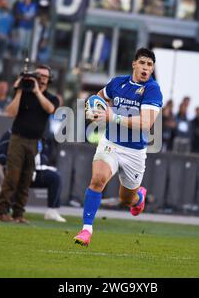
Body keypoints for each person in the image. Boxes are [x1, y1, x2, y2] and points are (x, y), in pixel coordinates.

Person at [73, 48, 163, 247]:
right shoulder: (117, 83)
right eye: (142, 63)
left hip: (134, 153)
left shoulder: (152, 89)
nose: (145, 68)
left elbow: (146, 122)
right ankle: (86, 230)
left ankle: (138, 198)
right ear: (134, 64)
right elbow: (99, 96)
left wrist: (112, 116)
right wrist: (95, 107)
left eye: (149, 65)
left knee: (126, 199)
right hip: (111, 144)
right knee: (98, 180)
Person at [0, 64, 59, 224]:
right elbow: (10, 112)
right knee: (12, 176)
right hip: (18, 138)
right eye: (39, 76)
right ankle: (2, 211)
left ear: (49, 79)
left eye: (45, 76)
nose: (42, 79)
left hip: (35, 141)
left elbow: (50, 109)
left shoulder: (52, 98)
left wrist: (37, 91)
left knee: (26, 178)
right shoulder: (23, 93)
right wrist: (20, 90)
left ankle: (18, 214)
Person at [0, 129, 66, 222]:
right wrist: (13, 164)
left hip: (34, 171)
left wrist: (38, 163)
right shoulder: (12, 133)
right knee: (6, 205)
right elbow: (0, 155)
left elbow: (45, 154)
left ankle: (52, 210)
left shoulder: (39, 134)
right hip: (16, 171)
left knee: (55, 177)